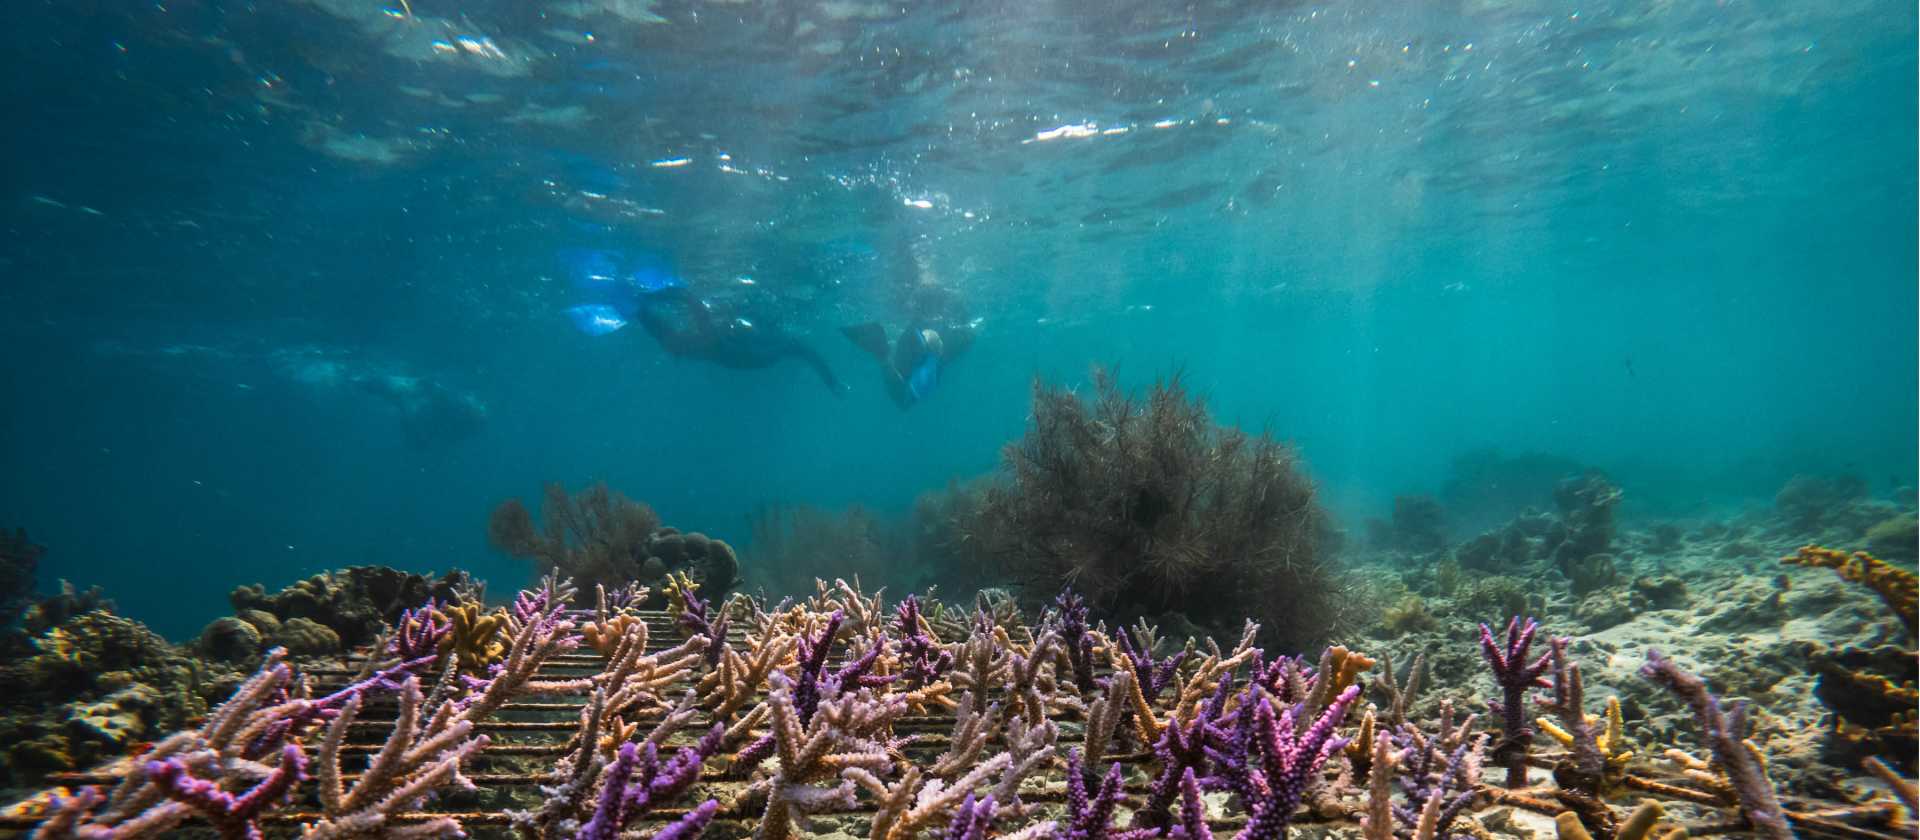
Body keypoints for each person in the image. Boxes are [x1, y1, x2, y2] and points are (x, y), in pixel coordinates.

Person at [562, 248, 846, 396]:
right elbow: (690, 308)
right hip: (745, 349)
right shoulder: (716, 338)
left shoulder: (718, 339)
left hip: (747, 350)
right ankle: (639, 308)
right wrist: (653, 299)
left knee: (789, 344)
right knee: (788, 344)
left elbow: (690, 304)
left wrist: (652, 299)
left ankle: (639, 308)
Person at [841, 284, 976, 410]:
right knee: (904, 400)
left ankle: (882, 354)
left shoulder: (947, 337)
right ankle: (882, 354)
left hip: (922, 344)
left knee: (904, 399)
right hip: (923, 346)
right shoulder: (948, 338)